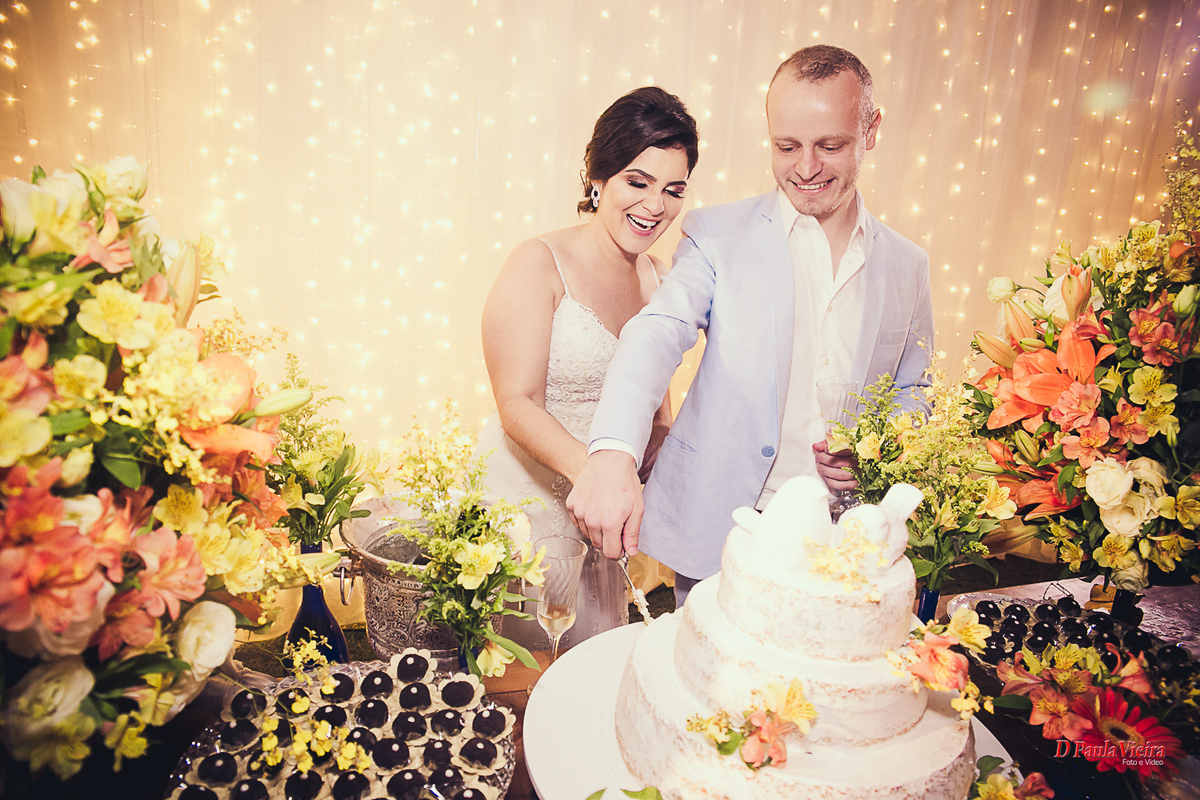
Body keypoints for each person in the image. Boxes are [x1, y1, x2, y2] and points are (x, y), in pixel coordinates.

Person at [566, 45, 934, 608]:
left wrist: (875, 449)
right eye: (787, 146)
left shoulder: (910, 265)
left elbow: (915, 389)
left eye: (829, 145)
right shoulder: (715, 234)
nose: (805, 168)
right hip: (725, 530)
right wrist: (613, 451)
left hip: (848, 541)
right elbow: (657, 332)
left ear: (871, 130)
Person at [477, 86, 700, 650]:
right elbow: (516, 403)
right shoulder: (538, 262)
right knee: (523, 673)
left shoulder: (658, 276)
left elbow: (653, 391)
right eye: (637, 181)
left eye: (673, 190)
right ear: (596, 177)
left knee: (593, 672)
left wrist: (661, 437)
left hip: (603, 512)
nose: (655, 207)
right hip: (530, 504)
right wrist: (597, 472)